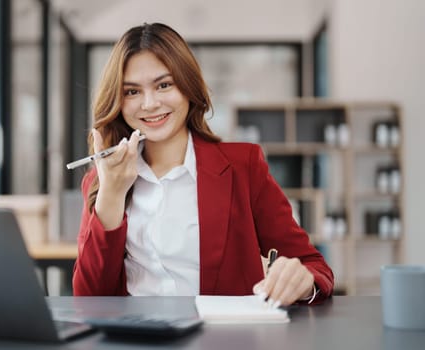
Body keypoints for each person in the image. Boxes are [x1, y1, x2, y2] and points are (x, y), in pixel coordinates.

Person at [72, 22, 334, 306]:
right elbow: (88, 300)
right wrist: (111, 194)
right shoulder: (104, 178)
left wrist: (303, 280)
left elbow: (314, 267)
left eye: (164, 85)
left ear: (187, 87)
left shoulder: (242, 166)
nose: (149, 104)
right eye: (132, 92)